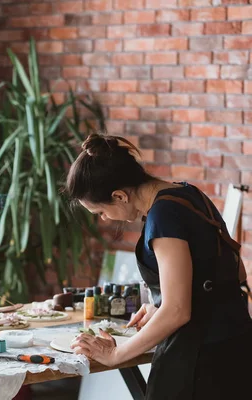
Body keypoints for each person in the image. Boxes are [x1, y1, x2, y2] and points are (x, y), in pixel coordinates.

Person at [65, 133, 252, 399]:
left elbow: (177, 312)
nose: (105, 220)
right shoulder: (188, 194)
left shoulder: (163, 217)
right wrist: (159, 307)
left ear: (119, 196)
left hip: (200, 361)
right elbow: (233, 274)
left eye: (101, 212)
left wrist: (115, 353)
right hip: (236, 347)